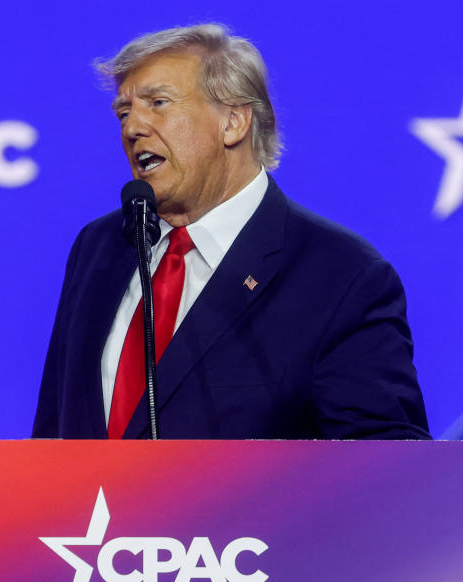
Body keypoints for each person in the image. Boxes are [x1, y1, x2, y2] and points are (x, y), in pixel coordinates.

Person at [33, 24, 430, 440]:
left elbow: (390, 464)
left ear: (234, 122)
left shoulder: (341, 275)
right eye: (124, 112)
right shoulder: (100, 247)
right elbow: (51, 438)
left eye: (158, 102)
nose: (132, 128)